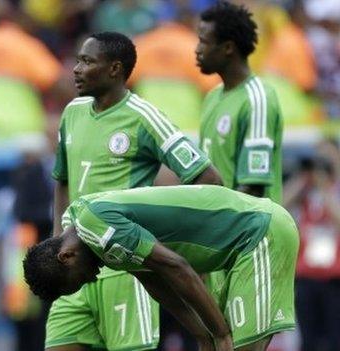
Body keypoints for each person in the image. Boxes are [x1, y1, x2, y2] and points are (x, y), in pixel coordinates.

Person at [48, 32, 221, 351]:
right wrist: (59, 237)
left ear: (115, 69)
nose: (76, 69)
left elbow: (207, 178)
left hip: (124, 272)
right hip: (75, 272)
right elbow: (62, 180)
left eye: (87, 61)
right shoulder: (72, 113)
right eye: (77, 60)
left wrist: (162, 237)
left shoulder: (144, 117)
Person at [25, 185, 299, 351]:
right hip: (234, 252)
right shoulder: (83, 228)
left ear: (66, 256)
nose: (92, 278)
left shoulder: (97, 226)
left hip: (259, 233)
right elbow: (155, 283)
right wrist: (202, 335)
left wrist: (220, 334)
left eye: (80, 280)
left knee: (236, 346)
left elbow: (176, 267)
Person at [197, 0, 283, 203]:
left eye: (204, 41)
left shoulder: (258, 99)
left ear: (228, 48)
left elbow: (253, 187)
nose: (197, 49)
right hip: (217, 225)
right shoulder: (212, 96)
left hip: (249, 231)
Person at [283, 140, 340, 351]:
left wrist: (325, 188)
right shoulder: (306, 192)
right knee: (308, 341)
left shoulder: (333, 191)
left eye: (328, 157)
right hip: (307, 278)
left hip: (335, 279)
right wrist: (301, 178)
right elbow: (280, 206)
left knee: (335, 340)